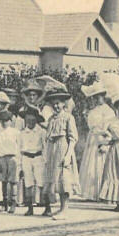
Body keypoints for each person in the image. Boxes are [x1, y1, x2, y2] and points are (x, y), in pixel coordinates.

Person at [41, 88, 81, 220]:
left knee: (64, 178)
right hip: (53, 149)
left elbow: (73, 138)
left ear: (64, 104)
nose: (56, 106)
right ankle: (59, 208)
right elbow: (48, 137)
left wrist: (68, 154)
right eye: (54, 104)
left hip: (63, 148)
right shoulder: (51, 119)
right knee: (55, 179)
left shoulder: (68, 118)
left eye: (58, 103)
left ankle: (65, 209)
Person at [79, 81, 114, 200]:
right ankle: (91, 193)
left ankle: (102, 193)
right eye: (95, 97)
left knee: (100, 165)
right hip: (92, 138)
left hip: (102, 137)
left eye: (99, 96)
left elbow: (108, 126)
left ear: (103, 96)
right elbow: (91, 125)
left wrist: (104, 140)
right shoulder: (93, 110)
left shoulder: (108, 110)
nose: (96, 99)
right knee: (91, 165)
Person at [0, 110, 22, 213]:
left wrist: (18, 160)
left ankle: (13, 203)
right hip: (1, 158)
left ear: (11, 121)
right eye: (2, 121)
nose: (4, 123)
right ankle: (4, 203)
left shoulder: (16, 132)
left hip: (13, 157)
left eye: (7, 120)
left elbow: (20, 147)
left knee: (13, 181)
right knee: (3, 181)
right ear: (0, 121)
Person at [19, 107, 46, 216]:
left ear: (36, 120)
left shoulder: (41, 132)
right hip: (26, 158)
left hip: (38, 158)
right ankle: (30, 207)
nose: (30, 122)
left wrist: (46, 162)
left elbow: (45, 147)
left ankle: (47, 206)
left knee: (41, 182)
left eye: (32, 120)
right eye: (28, 120)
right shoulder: (21, 133)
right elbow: (18, 149)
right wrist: (19, 166)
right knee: (28, 183)